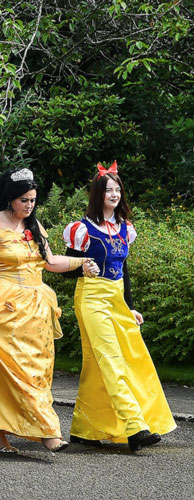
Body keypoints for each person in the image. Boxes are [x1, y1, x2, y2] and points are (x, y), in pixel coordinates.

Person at [0, 168, 91, 453]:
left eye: (32, 200)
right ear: (10, 199)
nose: (29, 205)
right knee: (8, 372)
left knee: (37, 372)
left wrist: (81, 262)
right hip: (2, 309)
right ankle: (35, 433)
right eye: (24, 200)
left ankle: (30, 428)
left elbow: (50, 261)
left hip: (36, 311)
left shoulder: (35, 227)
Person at [61, 162, 176, 451]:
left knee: (123, 360)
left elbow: (124, 272)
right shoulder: (82, 229)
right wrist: (82, 268)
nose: (114, 194)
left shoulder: (125, 228)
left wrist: (130, 306)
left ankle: (85, 427)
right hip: (91, 297)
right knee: (110, 359)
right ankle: (134, 426)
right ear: (97, 194)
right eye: (108, 190)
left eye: (118, 189)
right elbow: (64, 267)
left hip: (116, 299)